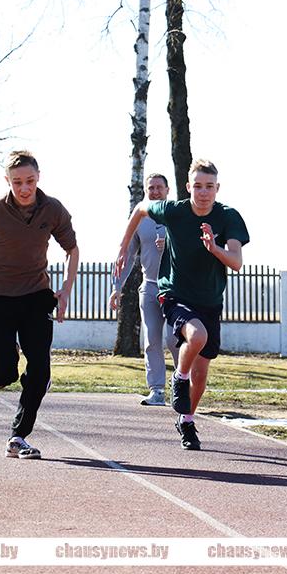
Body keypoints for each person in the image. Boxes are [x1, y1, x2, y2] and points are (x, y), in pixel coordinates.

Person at [114, 159, 249, 450]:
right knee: (196, 337)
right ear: (188, 187)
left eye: (209, 187)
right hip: (174, 293)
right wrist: (124, 246)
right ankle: (178, 376)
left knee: (201, 376)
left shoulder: (229, 217)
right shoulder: (173, 210)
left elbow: (236, 262)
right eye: (197, 186)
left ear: (217, 188)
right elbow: (140, 209)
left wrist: (215, 248)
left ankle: (186, 420)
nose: (203, 192)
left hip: (210, 301)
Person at [0, 150, 79, 460]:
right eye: (18, 182)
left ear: (39, 178)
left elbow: (72, 250)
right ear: (7, 181)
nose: (25, 188)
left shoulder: (53, 210)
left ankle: (18, 435)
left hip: (37, 297)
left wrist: (64, 289)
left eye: (30, 181)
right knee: (4, 376)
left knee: (39, 371)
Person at [109, 174, 178, 406]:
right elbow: (126, 255)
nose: (155, 191)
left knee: (175, 338)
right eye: (151, 188)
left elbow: (193, 248)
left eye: (160, 187)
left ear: (168, 190)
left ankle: (182, 385)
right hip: (149, 287)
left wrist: (170, 243)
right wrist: (117, 287)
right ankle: (157, 390)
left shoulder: (178, 214)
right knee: (151, 340)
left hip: (176, 288)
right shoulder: (139, 219)